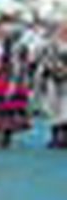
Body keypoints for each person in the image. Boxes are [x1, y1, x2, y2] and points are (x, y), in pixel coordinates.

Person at [35, 20, 67, 148]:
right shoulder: (50, 45)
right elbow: (42, 60)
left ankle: (64, 137)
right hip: (52, 79)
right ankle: (55, 136)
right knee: (53, 108)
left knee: (65, 109)